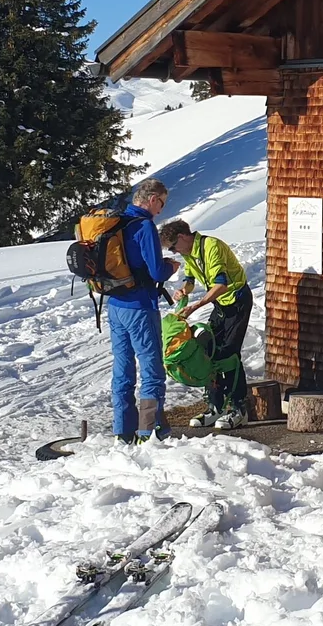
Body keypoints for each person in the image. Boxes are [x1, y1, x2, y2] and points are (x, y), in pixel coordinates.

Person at [160, 218, 252, 429]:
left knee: (230, 354)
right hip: (221, 304)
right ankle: (215, 405)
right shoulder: (188, 252)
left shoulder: (211, 247)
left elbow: (221, 284)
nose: (174, 252)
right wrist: (184, 290)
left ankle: (239, 408)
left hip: (236, 300)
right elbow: (190, 279)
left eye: (173, 247)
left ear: (183, 237)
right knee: (209, 350)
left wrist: (197, 305)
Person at [106, 178, 178, 443]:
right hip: (140, 306)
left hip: (115, 305)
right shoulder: (145, 225)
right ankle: (149, 433)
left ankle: (122, 431)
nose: (161, 210)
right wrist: (171, 266)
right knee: (152, 369)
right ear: (152, 199)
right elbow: (157, 271)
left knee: (122, 369)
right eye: (161, 203)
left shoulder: (117, 222)